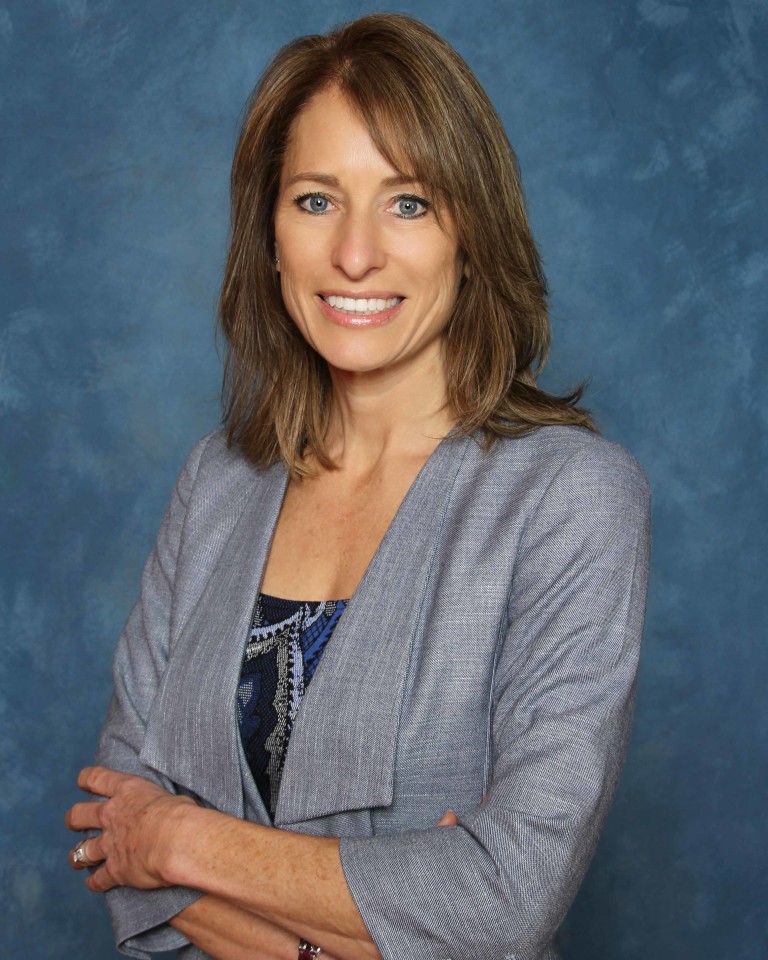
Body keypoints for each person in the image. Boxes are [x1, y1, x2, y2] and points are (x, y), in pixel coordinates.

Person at [65, 13, 651, 960]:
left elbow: (504, 900)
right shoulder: (216, 483)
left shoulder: (571, 499)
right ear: (270, 233)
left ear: (472, 233)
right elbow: (110, 833)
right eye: (316, 200)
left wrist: (177, 839)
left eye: (408, 203)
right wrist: (388, 910)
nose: (354, 255)